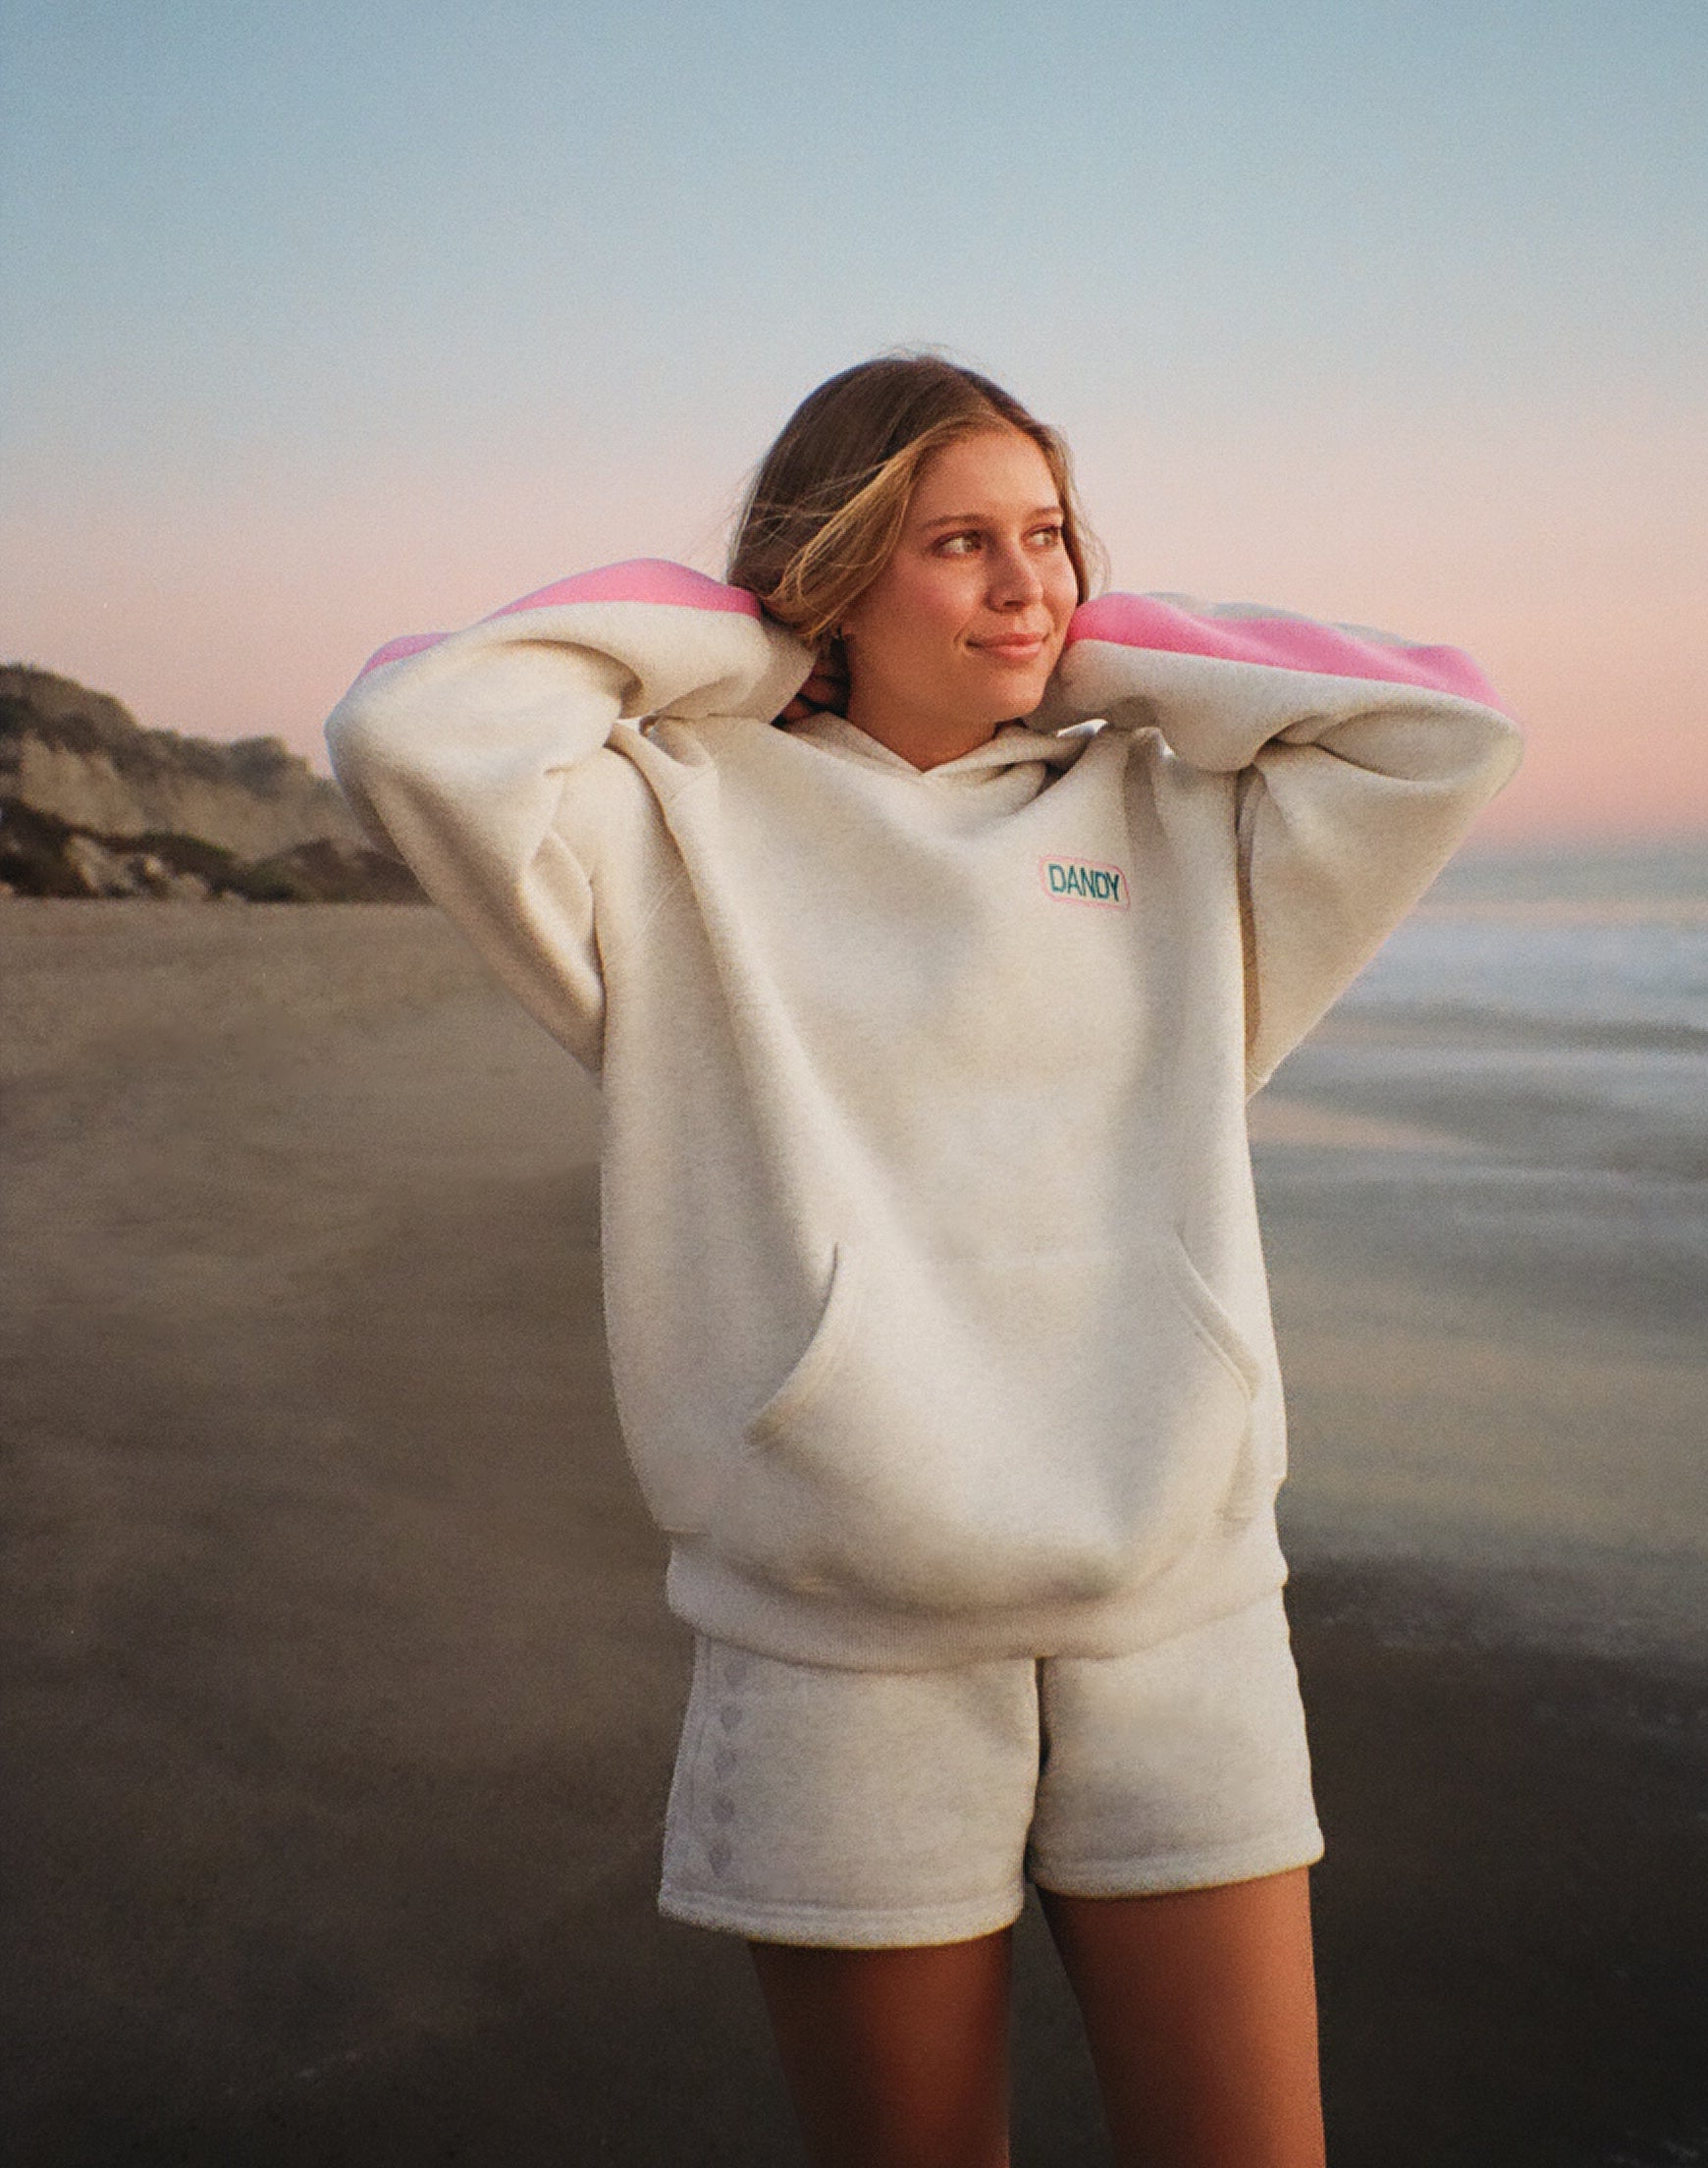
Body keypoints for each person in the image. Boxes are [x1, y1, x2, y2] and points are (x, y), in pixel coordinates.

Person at [325, 353, 1521, 2168]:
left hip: (1177, 1606)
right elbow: (416, 729)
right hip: (840, 1625)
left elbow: (1443, 729)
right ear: (832, 571)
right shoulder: (668, 829)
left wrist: (1079, 651)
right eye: (959, 543)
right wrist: (759, 653)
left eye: (1050, 537)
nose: (1028, 582)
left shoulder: (1185, 829)